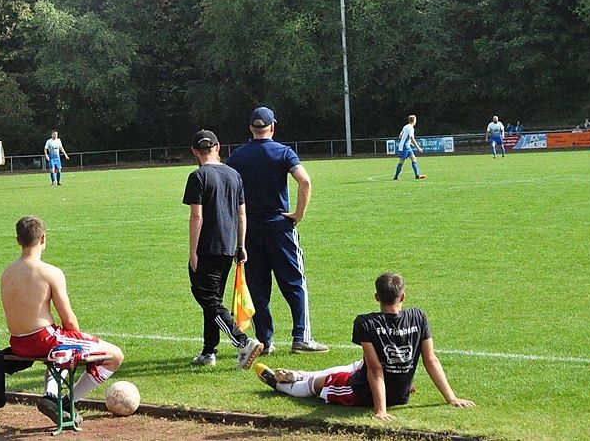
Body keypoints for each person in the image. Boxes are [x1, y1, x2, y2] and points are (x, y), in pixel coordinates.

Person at [253, 272, 474, 420]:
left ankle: (281, 383)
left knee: (321, 384)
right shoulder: (419, 317)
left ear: (376, 297)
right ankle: (299, 373)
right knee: (358, 364)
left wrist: (381, 410)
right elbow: (430, 360)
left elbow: (376, 369)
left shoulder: (366, 322)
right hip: (401, 393)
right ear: (403, 296)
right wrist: (451, 398)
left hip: (361, 393)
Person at [1, 216, 125, 425]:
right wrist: (78, 337)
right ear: (43, 238)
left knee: (62, 347)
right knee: (115, 356)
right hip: (44, 339)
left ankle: (52, 397)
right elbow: (68, 319)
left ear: (18, 240)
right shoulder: (50, 272)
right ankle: (67, 402)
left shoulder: (7, 273)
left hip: (18, 343)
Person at [226, 107, 327, 355]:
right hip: (279, 227)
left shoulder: (237, 157)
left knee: (258, 287)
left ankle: (265, 341)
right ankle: (301, 337)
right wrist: (298, 214)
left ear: (251, 128)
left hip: (248, 229)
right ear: (273, 126)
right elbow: (304, 180)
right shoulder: (283, 153)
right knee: (294, 282)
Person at [182, 130, 264, 367]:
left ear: (195, 151)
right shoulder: (234, 175)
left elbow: (197, 217)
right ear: (218, 147)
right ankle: (209, 351)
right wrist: (241, 245)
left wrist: (193, 251)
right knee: (213, 299)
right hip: (228, 246)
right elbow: (241, 213)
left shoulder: (198, 177)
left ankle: (242, 342)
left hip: (207, 247)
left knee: (208, 299)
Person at [392, 115, 426, 180]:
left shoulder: (405, 126)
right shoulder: (411, 128)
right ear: (414, 120)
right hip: (404, 147)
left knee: (414, 159)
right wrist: (418, 147)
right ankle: (396, 177)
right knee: (401, 161)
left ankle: (417, 175)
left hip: (407, 146)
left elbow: (400, 136)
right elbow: (412, 138)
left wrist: (409, 142)